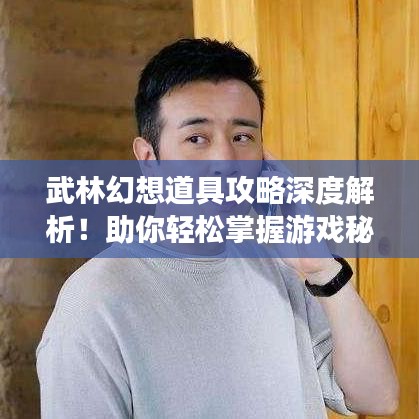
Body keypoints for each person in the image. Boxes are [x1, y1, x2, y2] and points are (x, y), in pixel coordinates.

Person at [36, 38, 399, 418]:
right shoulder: (94, 302)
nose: (226, 160)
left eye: (242, 137)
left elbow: (377, 399)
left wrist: (322, 269)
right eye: (197, 138)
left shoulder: (280, 265)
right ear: (149, 159)